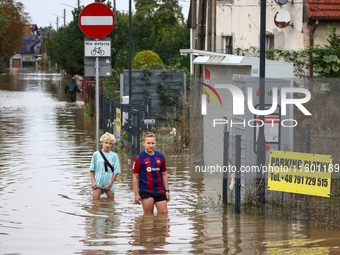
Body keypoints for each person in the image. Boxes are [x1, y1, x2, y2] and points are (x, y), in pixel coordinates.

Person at [132, 132, 170, 214]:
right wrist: (136, 194)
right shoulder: (139, 158)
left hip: (160, 190)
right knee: (148, 216)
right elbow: (135, 177)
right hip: (146, 191)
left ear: (155, 143)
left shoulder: (160, 156)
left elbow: (164, 174)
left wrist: (167, 191)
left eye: (152, 143)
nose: (150, 145)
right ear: (143, 143)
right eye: (148, 143)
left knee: (164, 213)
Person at [90, 132, 121, 200]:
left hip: (109, 182)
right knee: (95, 204)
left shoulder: (114, 156)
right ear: (102, 142)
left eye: (110, 143)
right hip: (98, 182)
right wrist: (93, 182)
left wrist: (110, 184)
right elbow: (92, 169)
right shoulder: (96, 154)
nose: (107, 145)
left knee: (110, 205)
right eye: (106, 143)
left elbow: (116, 171)